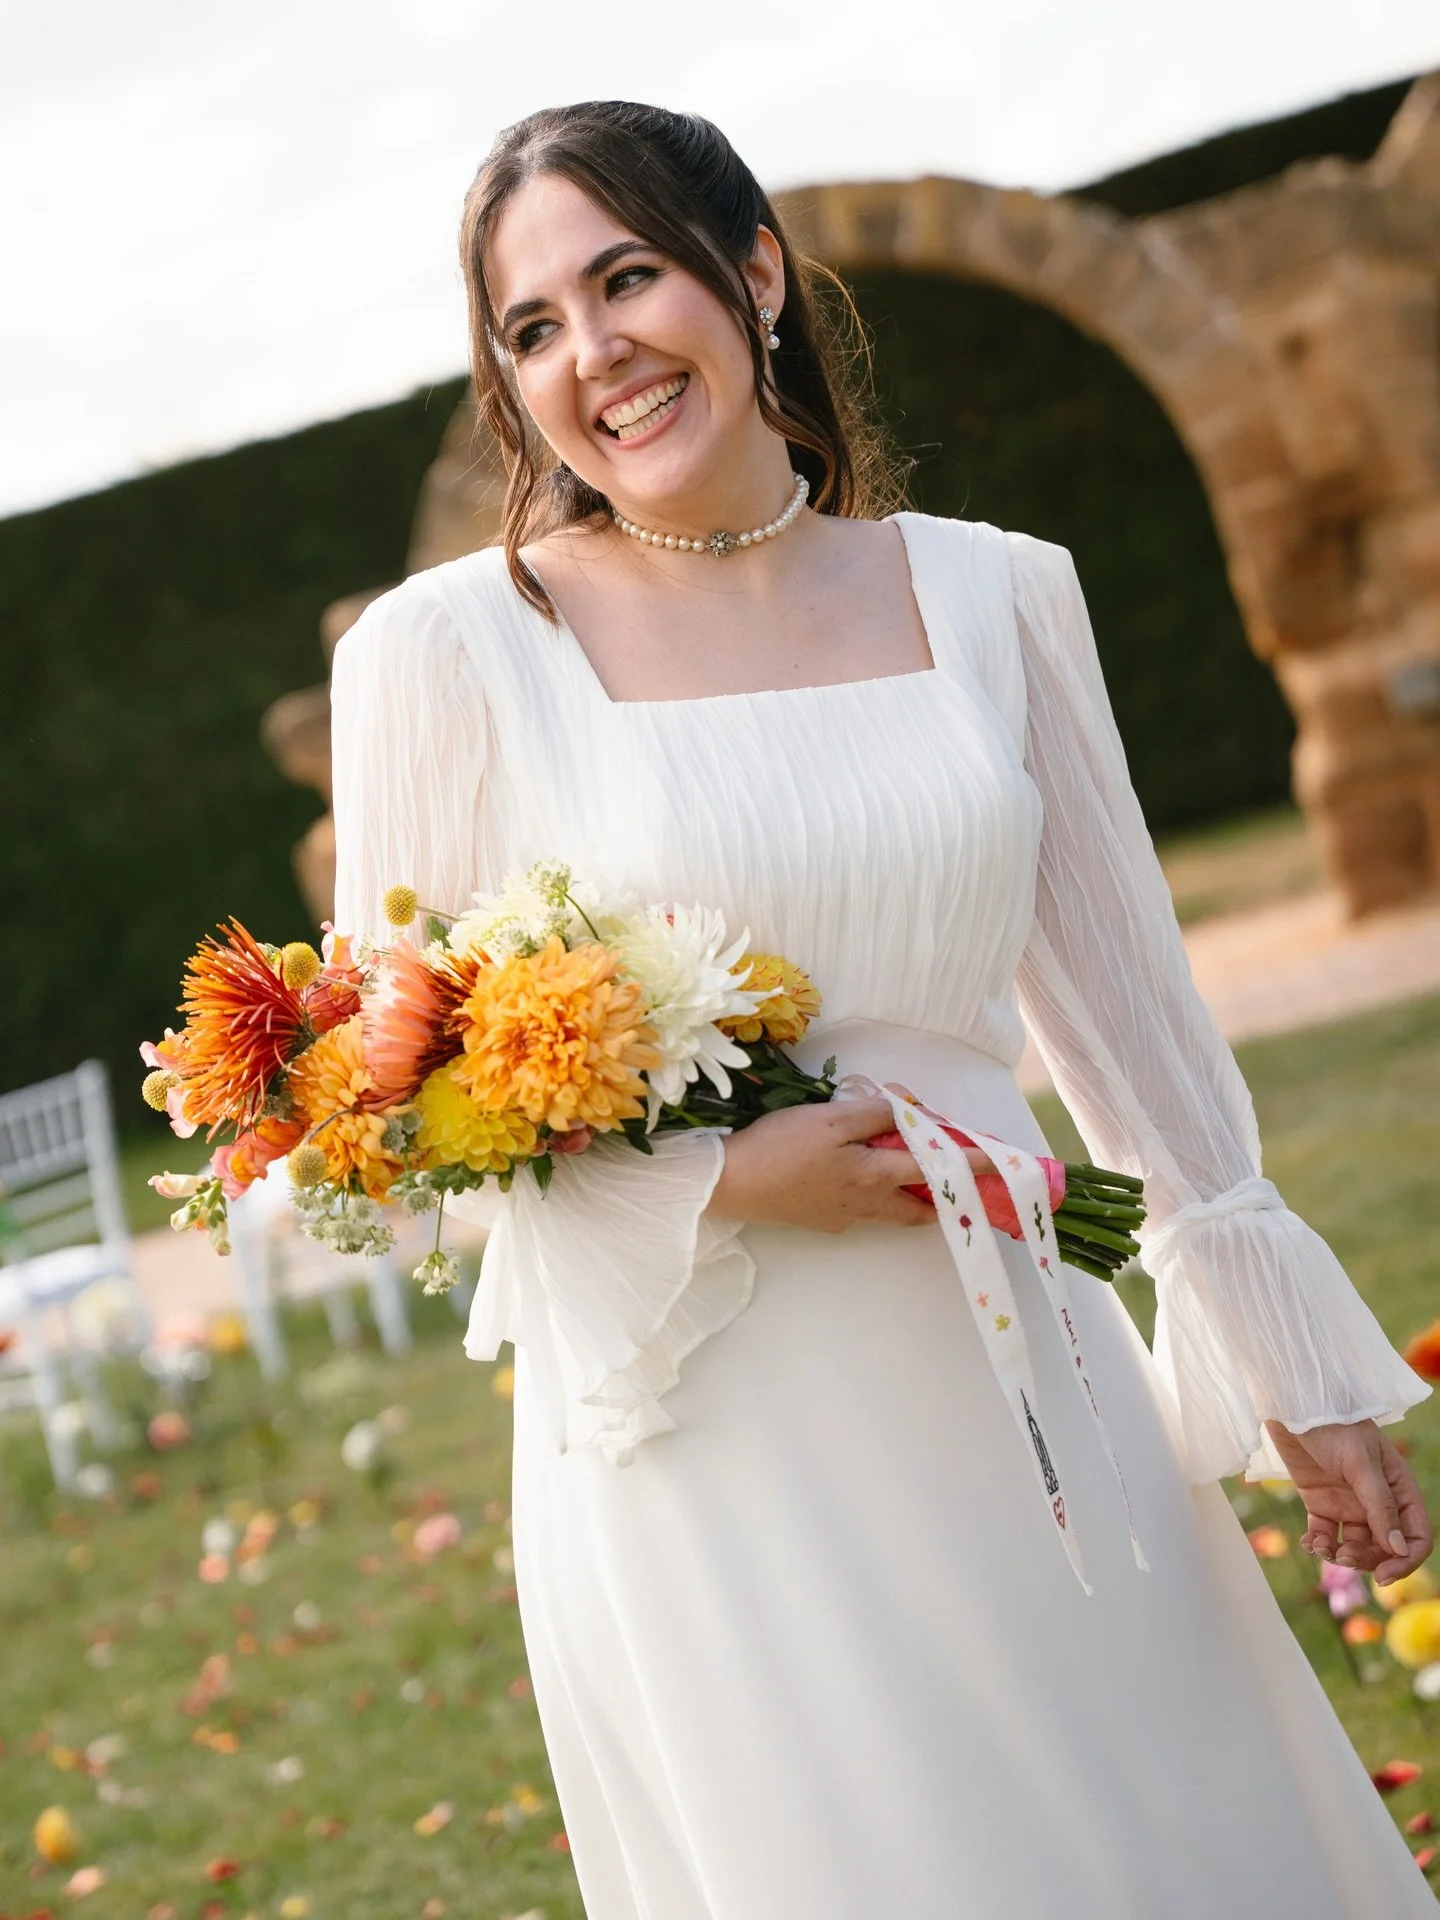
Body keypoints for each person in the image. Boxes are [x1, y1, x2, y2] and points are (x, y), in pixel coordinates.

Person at [329, 99, 1437, 1919]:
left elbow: (1131, 1019)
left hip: (1036, 1376)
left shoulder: (999, 594)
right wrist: (728, 1175)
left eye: (628, 278)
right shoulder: (446, 652)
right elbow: (393, 1114)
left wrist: (1290, 1364)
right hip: (717, 1426)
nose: (593, 352)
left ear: (753, 272)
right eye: (531, 326)